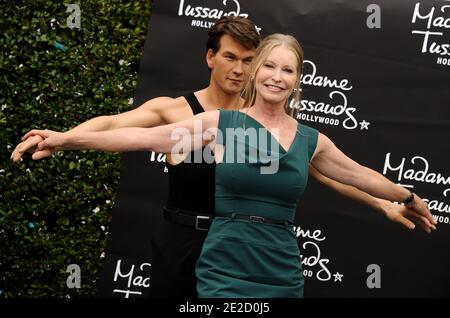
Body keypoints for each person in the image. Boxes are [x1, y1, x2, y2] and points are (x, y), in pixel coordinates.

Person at [12, 27, 436, 297]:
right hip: (208, 252)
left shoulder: (306, 138)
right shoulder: (212, 122)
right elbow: (135, 134)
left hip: (274, 264)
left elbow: (349, 174)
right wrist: (66, 138)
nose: (273, 75)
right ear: (226, 63)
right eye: (265, 65)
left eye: (285, 69)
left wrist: (401, 197)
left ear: (297, 80)